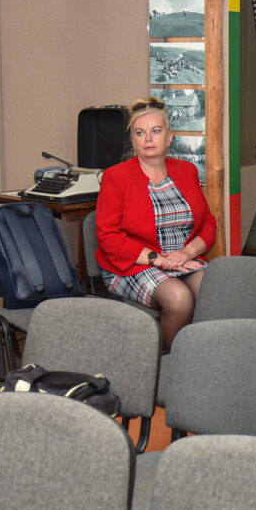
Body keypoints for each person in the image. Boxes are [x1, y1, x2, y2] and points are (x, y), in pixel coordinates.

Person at [94, 96, 217, 351]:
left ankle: (202, 359)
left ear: (169, 137)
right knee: (179, 299)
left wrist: (186, 253)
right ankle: (168, 364)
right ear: (133, 141)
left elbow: (208, 223)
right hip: (133, 264)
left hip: (182, 259)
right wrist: (158, 260)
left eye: (156, 131)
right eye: (140, 133)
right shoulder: (116, 177)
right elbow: (108, 237)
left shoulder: (187, 170)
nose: (148, 139)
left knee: (214, 292)